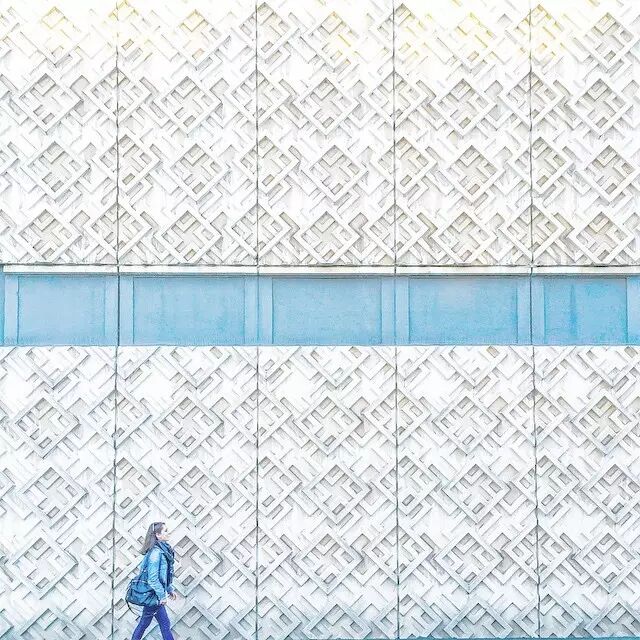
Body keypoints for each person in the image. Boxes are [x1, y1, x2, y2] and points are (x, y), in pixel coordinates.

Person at [130, 521, 178, 640]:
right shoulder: (156, 553)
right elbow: (152, 579)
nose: (168, 533)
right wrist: (162, 596)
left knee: (152, 624)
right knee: (161, 624)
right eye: (165, 531)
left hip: (154, 595)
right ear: (157, 535)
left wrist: (169, 589)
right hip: (153, 595)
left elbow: (163, 576)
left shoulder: (163, 550)